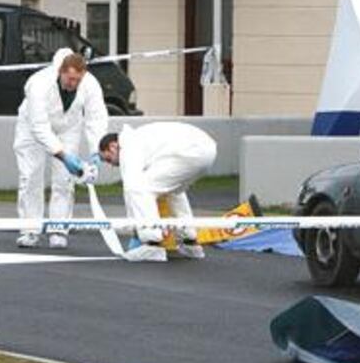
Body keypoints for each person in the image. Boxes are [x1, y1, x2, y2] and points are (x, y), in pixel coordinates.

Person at [13, 48, 108, 249]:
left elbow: (96, 117)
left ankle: (58, 229)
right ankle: (30, 230)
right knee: (30, 176)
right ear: (61, 72)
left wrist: (97, 150)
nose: (74, 84)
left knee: (64, 179)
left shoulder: (90, 83)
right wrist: (63, 155)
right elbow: (39, 127)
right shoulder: (38, 84)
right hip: (31, 127)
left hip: (68, 127)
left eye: (78, 80)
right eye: (70, 79)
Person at [98, 122, 217, 260]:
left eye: (108, 159)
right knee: (172, 191)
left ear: (113, 146)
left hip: (191, 152)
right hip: (206, 149)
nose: (112, 164)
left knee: (140, 188)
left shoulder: (129, 146)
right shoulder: (141, 139)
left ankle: (152, 244)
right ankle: (190, 242)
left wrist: (135, 231)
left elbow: (131, 187)